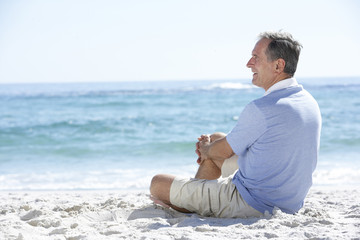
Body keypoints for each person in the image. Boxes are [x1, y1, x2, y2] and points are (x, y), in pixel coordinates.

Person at [150, 31, 322, 218]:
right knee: (217, 139)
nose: (249, 63)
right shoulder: (308, 101)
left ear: (278, 65)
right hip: (289, 200)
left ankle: (189, 203)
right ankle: (194, 195)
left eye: (256, 58)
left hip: (252, 202)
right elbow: (224, 147)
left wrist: (206, 149)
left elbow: (222, 152)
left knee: (158, 183)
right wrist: (211, 148)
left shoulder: (262, 108)